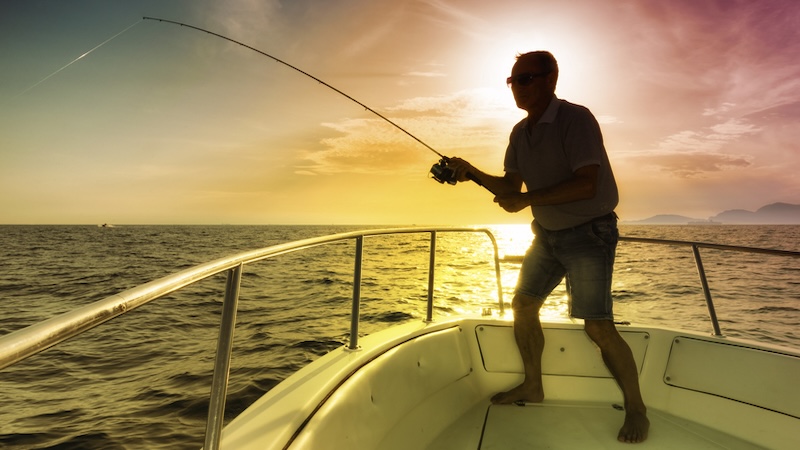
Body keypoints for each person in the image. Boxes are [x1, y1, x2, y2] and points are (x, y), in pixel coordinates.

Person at [447, 51, 649, 443]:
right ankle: (532, 386)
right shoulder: (520, 133)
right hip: (548, 235)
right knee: (523, 305)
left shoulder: (576, 119)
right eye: (512, 81)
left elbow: (587, 183)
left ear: (551, 79)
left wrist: (527, 199)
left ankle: (637, 408)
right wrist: (470, 171)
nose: (517, 88)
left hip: (590, 233)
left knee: (597, 325)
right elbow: (510, 188)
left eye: (525, 79)